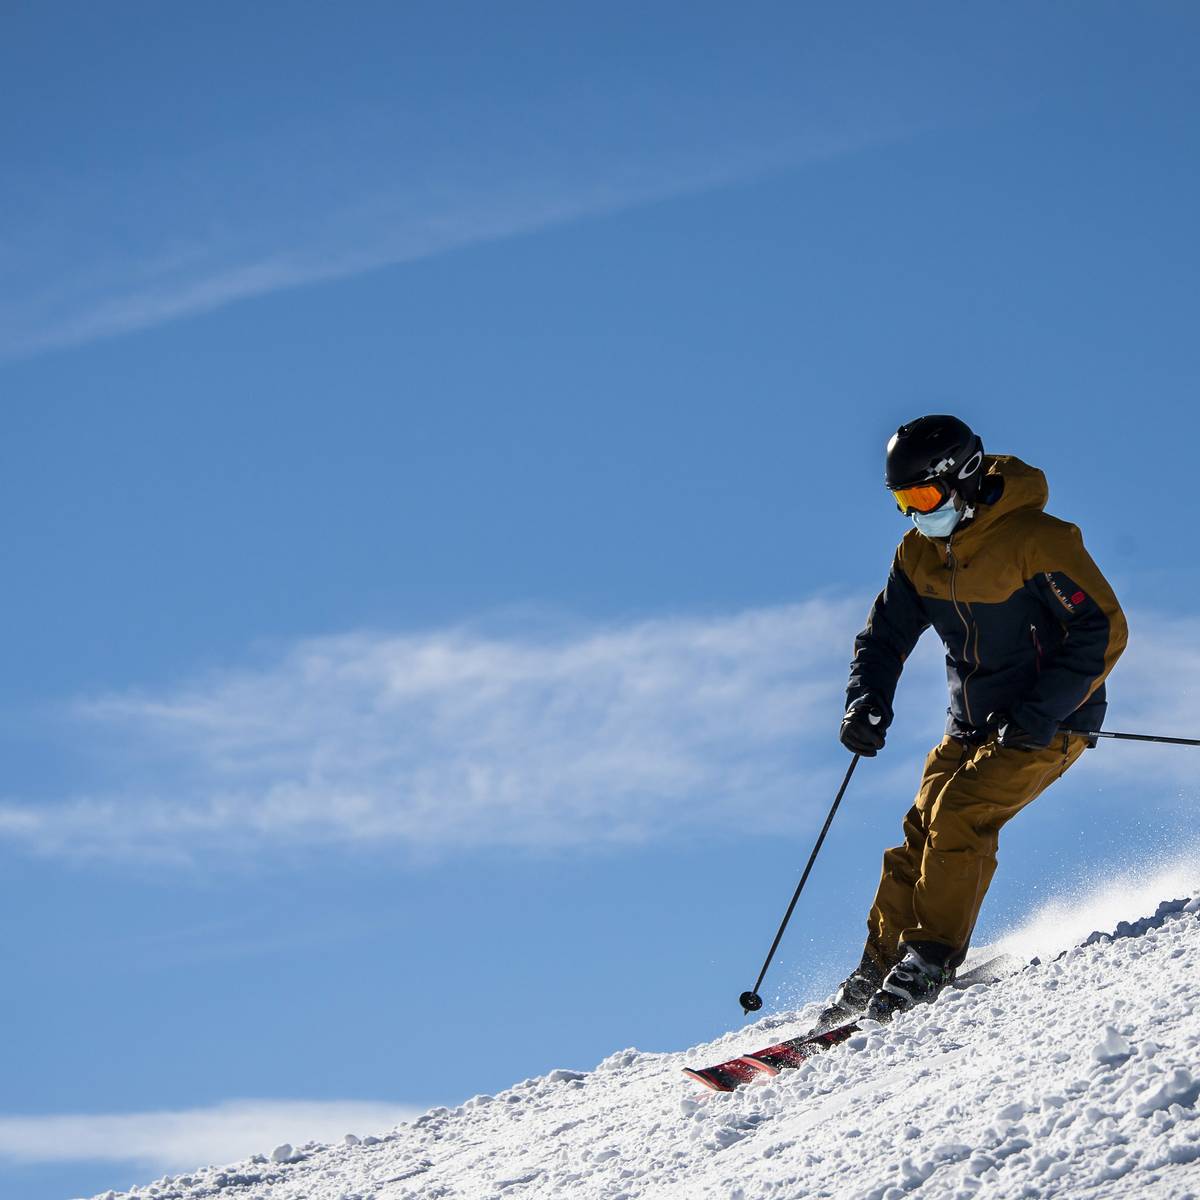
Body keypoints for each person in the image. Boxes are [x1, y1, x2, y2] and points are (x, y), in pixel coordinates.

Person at [823, 415, 1127, 1025]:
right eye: (903, 501)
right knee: (921, 826)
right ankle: (880, 962)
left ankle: (930, 957)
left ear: (961, 478)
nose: (915, 514)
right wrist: (867, 700)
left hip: (1048, 722)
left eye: (924, 497)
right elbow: (884, 637)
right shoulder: (918, 553)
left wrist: (1041, 712)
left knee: (961, 813)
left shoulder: (1037, 540)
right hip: (971, 723)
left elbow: (1102, 629)